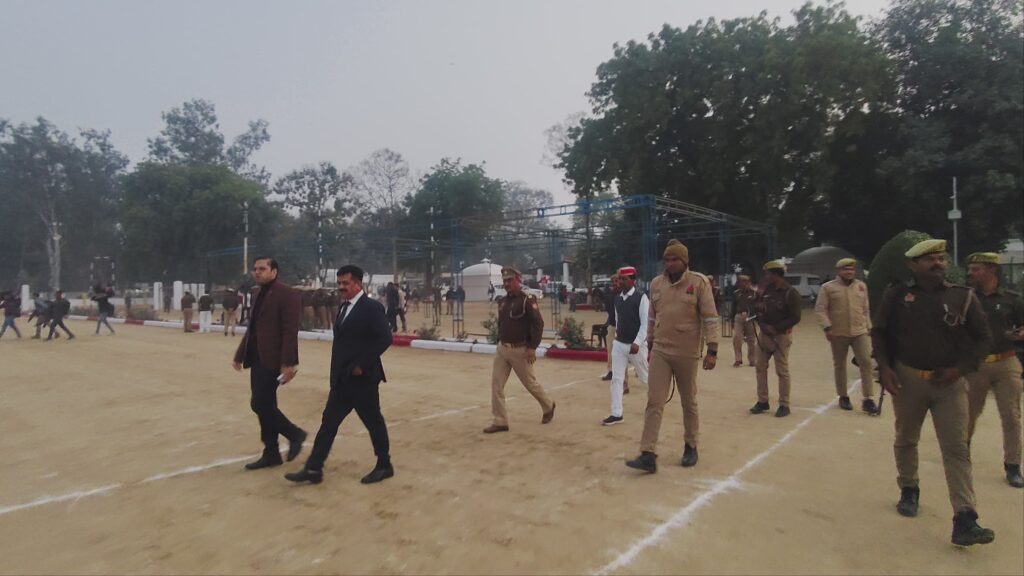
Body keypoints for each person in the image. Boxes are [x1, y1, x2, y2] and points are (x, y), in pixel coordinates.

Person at [871, 239, 994, 546]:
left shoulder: (962, 297)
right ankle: (909, 488)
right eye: (929, 259)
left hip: (950, 384)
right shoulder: (897, 296)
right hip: (908, 379)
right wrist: (884, 368)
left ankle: (965, 517)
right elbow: (880, 332)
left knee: (956, 448)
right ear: (912, 265)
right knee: (906, 438)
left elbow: (983, 339)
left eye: (940, 258)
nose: (938, 263)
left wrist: (960, 369)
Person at [285, 264, 394, 486]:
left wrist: (361, 364)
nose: (341, 287)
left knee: (373, 421)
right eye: (339, 283)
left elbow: (384, 338)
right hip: (342, 379)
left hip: (363, 379)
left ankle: (384, 465)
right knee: (328, 423)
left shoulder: (371, 308)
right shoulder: (344, 307)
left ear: (358, 284)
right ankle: (314, 468)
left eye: (346, 283)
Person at [626, 241, 719, 472]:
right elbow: (651, 316)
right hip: (661, 350)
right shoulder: (657, 284)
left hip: (687, 352)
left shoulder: (699, 283)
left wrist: (713, 350)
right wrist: (649, 340)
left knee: (689, 401)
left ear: (684, 261)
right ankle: (648, 453)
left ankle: (691, 446)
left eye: (674, 259)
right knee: (654, 401)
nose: (669, 264)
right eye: (666, 260)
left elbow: (710, 317)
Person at [232, 257, 307, 471]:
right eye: (255, 269)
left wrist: (288, 363)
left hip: (274, 360)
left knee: (259, 404)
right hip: (257, 358)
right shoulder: (257, 293)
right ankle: (271, 453)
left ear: (274, 272)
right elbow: (253, 329)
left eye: (262, 269)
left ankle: (295, 434)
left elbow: (290, 331)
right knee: (266, 405)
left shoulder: (288, 294)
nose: (257, 272)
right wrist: (240, 354)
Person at [964, 252, 1024, 488]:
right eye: (970, 269)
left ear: (991, 270)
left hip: (1006, 362)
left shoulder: (1013, 299)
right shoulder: (966, 298)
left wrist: (1020, 334)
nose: (971, 273)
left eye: (976, 269)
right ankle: (961, 453)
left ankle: (1013, 465)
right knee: (968, 414)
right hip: (976, 364)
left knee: (1011, 415)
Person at [484, 267, 556, 433]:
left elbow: (538, 324)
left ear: (518, 280)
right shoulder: (502, 302)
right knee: (496, 384)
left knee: (530, 384)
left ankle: (548, 405)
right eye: (505, 281)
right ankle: (500, 421)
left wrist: (532, 347)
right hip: (503, 349)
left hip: (521, 350)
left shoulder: (526, 300)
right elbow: (502, 324)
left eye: (510, 280)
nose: (507, 284)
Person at [814, 258, 876, 412]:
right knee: (840, 364)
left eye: (851, 269)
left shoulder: (861, 286)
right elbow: (821, 309)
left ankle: (868, 398)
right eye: (846, 269)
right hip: (838, 332)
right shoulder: (828, 287)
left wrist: (869, 326)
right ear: (839, 271)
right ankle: (843, 396)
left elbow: (865, 309)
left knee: (866, 362)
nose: (849, 272)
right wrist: (827, 328)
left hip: (859, 331)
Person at [750, 260, 802, 417]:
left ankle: (784, 404)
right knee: (760, 367)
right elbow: (758, 309)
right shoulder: (766, 290)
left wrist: (777, 328)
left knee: (782, 371)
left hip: (781, 336)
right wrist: (761, 323)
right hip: (764, 335)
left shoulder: (790, 293)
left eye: (768, 274)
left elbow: (795, 317)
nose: (766, 277)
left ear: (776, 274)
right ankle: (762, 401)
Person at [603, 266, 650, 426]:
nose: (621, 282)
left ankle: (656, 402)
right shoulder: (617, 299)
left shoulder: (641, 298)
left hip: (636, 346)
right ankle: (616, 413)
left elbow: (645, 324)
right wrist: (617, 338)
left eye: (625, 279)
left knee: (645, 377)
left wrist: (637, 342)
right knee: (617, 379)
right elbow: (617, 320)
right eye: (619, 279)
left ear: (633, 280)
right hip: (619, 344)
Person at [731, 275, 757, 367]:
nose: (744, 284)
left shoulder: (754, 293)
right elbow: (733, 307)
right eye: (741, 282)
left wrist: (756, 317)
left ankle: (752, 359)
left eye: (746, 282)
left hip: (750, 317)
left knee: (751, 340)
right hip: (739, 316)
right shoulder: (736, 293)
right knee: (737, 338)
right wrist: (732, 320)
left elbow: (758, 306)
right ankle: (738, 359)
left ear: (749, 283)